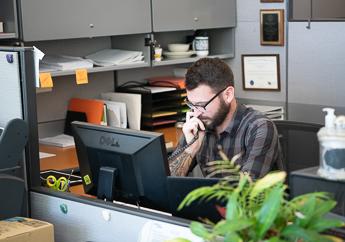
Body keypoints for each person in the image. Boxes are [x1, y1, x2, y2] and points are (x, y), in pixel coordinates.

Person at [169, 58, 283, 179]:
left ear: (228, 95)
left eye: (202, 105)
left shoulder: (259, 127)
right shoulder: (198, 124)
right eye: (191, 104)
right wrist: (190, 150)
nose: (196, 113)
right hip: (213, 197)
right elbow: (166, 183)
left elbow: (246, 191)